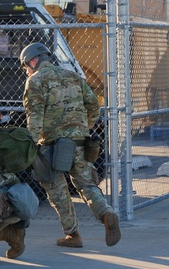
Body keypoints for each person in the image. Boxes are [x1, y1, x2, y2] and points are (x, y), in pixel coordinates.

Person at [20, 43, 121, 248]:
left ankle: (73, 234)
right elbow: (93, 105)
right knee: (87, 185)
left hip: (52, 146)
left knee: (55, 188)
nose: (26, 71)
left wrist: (30, 146)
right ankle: (106, 213)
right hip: (80, 142)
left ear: (33, 61)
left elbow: (35, 117)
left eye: (25, 67)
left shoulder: (36, 80)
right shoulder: (73, 76)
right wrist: (84, 128)